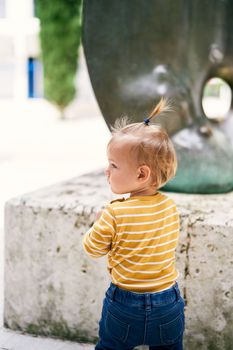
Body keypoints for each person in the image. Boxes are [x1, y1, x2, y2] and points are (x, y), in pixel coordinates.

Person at [83, 98, 185, 350]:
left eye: (114, 165)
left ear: (141, 174)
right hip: (168, 303)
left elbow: (92, 249)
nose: (107, 171)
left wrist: (97, 225)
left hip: (124, 306)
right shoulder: (170, 207)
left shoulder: (113, 213)